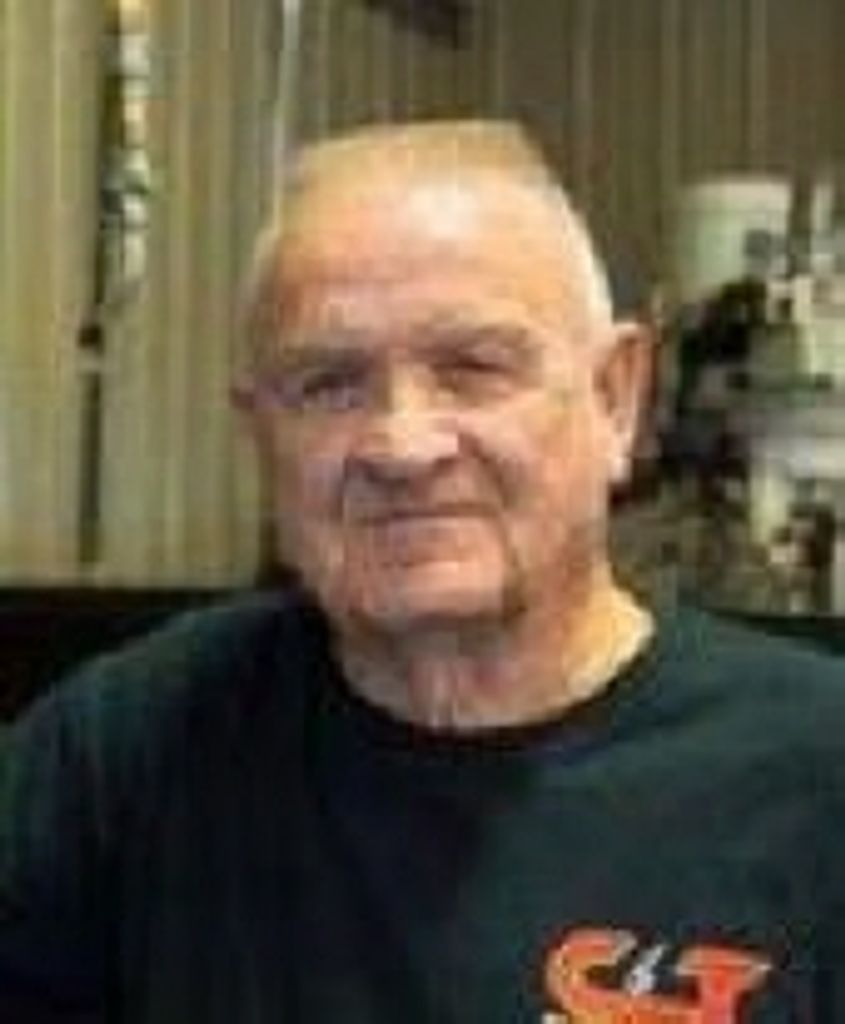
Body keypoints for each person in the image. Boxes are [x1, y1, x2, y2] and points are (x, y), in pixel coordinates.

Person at [1, 120, 844, 1023]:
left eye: (472, 368)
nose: (402, 446)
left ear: (614, 397)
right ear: (260, 433)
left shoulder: (814, 773)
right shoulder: (120, 759)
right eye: (330, 384)